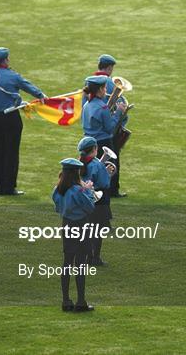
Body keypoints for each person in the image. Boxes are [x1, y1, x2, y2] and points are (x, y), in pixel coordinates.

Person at [0, 47, 47, 195]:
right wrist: (40, 94)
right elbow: (27, 85)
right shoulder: (12, 76)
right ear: (5, 60)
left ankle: (0, 187)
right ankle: (9, 187)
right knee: (11, 151)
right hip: (10, 117)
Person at [52, 158, 96, 312]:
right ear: (76, 173)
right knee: (81, 265)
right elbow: (90, 207)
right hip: (81, 226)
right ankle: (81, 301)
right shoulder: (78, 190)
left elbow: (58, 208)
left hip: (67, 225)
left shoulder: (57, 189)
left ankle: (65, 300)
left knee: (67, 262)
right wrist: (88, 191)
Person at [89, 54, 128, 198]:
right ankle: (112, 190)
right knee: (112, 161)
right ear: (110, 68)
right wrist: (121, 116)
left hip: (90, 132)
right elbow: (121, 102)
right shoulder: (108, 83)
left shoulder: (89, 83)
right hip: (106, 131)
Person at [81, 75, 126, 181]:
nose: (106, 90)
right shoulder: (103, 107)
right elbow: (110, 128)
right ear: (100, 89)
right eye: (105, 88)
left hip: (89, 141)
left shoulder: (87, 105)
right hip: (103, 142)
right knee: (108, 170)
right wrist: (118, 112)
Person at [78, 136, 113, 266]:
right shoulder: (97, 165)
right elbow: (104, 183)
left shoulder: (79, 163)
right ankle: (94, 258)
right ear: (94, 149)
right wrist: (108, 173)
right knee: (97, 232)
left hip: (84, 199)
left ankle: (85, 256)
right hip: (99, 201)